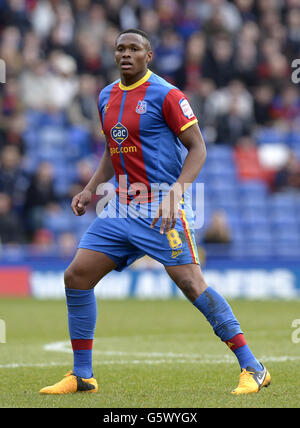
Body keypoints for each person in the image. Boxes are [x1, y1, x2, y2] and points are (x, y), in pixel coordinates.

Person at [39, 29, 270, 396]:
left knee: (192, 285)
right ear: (114, 56)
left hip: (162, 207)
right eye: (120, 49)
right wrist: (89, 189)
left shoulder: (167, 95)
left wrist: (175, 195)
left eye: (134, 49)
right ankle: (82, 375)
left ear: (149, 56)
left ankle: (253, 367)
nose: (126, 54)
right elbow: (111, 152)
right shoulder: (106, 97)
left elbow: (198, 149)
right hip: (120, 208)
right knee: (77, 276)